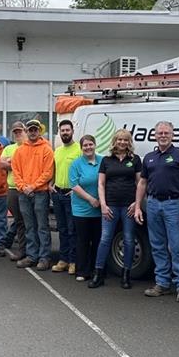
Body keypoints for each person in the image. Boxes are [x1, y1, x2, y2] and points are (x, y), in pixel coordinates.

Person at [136, 121, 179, 303]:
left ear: (173, 135)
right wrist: (138, 205)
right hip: (153, 204)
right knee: (157, 246)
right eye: (160, 133)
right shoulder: (149, 157)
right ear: (155, 135)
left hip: (174, 204)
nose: (163, 135)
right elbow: (142, 183)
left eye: (166, 133)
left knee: (177, 246)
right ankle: (162, 283)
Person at [88, 129, 141, 289]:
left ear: (129, 142)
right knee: (105, 239)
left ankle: (126, 275)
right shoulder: (106, 160)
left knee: (129, 239)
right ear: (115, 141)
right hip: (110, 206)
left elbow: (140, 183)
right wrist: (103, 205)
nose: (122, 143)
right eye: (119, 140)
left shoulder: (135, 159)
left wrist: (137, 203)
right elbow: (101, 184)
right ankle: (98, 274)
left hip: (129, 206)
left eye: (125, 140)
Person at [12, 119, 55, 271]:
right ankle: (32, 256)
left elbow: (48, 172)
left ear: (39, 131)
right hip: (24, 193)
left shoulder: (47, 149)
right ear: (27, 131)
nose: (32, 132)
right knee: (29, 226)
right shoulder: (19, 150)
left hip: (40, 193)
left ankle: (44, 258)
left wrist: (33, 186)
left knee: (42, 226)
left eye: (35, 129)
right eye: (30, 129)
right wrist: (24, 187)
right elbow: (15, 171)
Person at [69, 135, 103, 282]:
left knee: (98, 240)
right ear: (81, 148)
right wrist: (91, 199)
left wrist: (101, 201)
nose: (88, 147)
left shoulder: (103, 161)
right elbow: (74, 185)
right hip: (81, 209)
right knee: (83, 241)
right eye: (85, 145)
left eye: (91, 144)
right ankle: (82, 271)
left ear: (95, 145)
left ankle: (97, 270)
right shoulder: (76, 164)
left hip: (99, 209)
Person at [51, 119, 81, 275]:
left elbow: (84, 171)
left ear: (72, 131)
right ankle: (62, 260)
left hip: (72, 195)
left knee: (72, 230)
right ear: (59, 132)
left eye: (67, 130)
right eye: (62, 130)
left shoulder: (79, 150)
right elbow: (54, 169)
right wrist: (51, 185)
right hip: (58, 194)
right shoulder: (57, 151)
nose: (65, 133)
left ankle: (73, 261)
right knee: (62, 229)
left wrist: (77, 190)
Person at [0, 122, 27, 261]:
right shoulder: (9, 148)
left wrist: (12, 162)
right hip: (12, 189)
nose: (17, 134)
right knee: (20, 220)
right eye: (15, 132)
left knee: (29, 221)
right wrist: (17, 164)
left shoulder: (29, 146)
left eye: (20, 131)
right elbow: (1, 164)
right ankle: (23, 251)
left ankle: (30, 250)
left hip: (28, 189)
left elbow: (28, 165)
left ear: (25, 131)